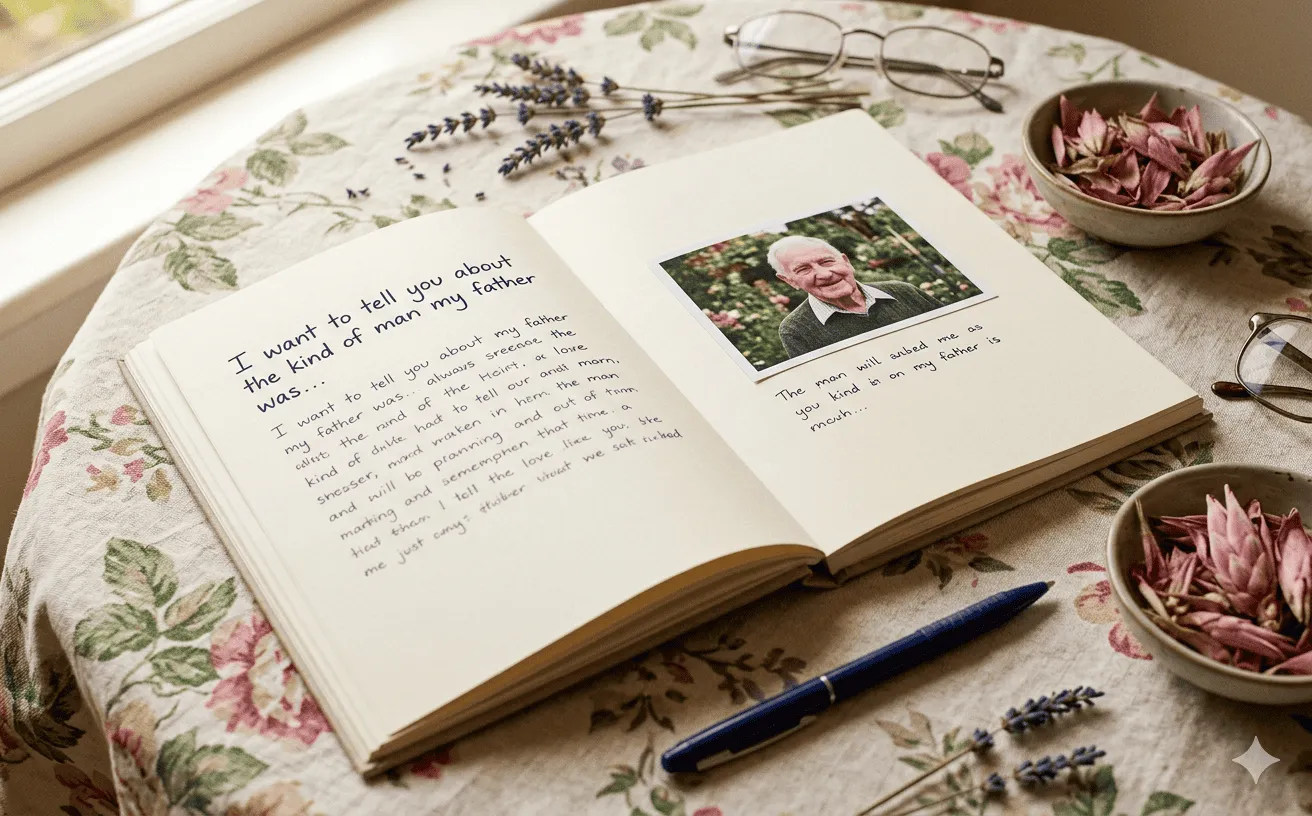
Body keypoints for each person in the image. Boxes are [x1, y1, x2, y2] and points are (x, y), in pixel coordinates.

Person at [767, 235, 943, 359]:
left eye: (827, 262)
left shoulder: (903, 292)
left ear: (846, 261)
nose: (824, 274)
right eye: (803, 269)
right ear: (790, 281)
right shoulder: (795, 331)